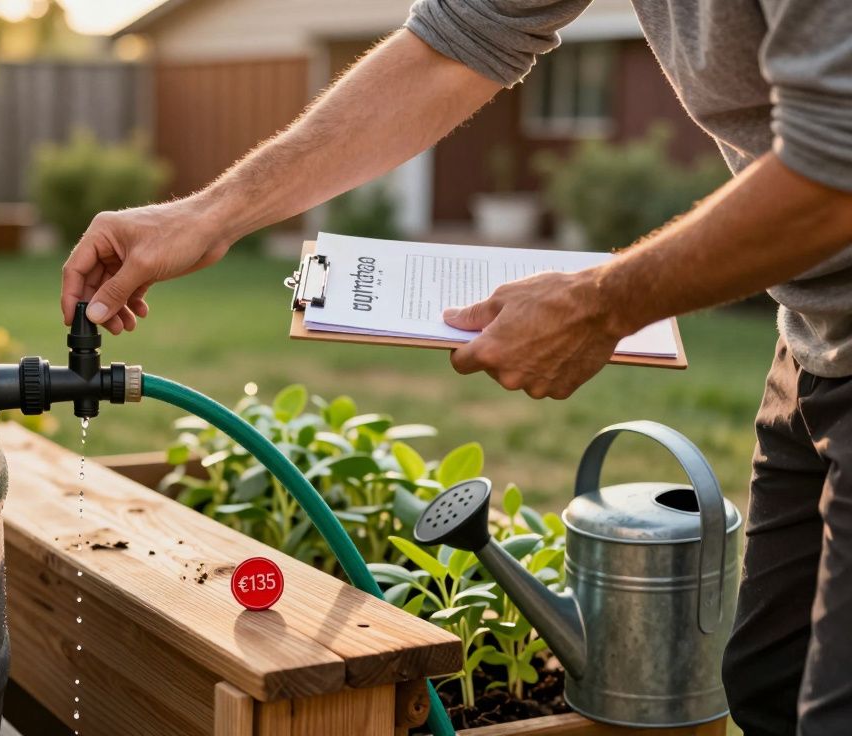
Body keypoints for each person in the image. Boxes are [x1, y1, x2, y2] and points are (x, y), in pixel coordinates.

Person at [60, 2, 852, 733]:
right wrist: (211, 212)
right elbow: (459, 40)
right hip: (816, 340)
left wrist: (604, 304)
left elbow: (836, 169)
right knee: (767, 688)